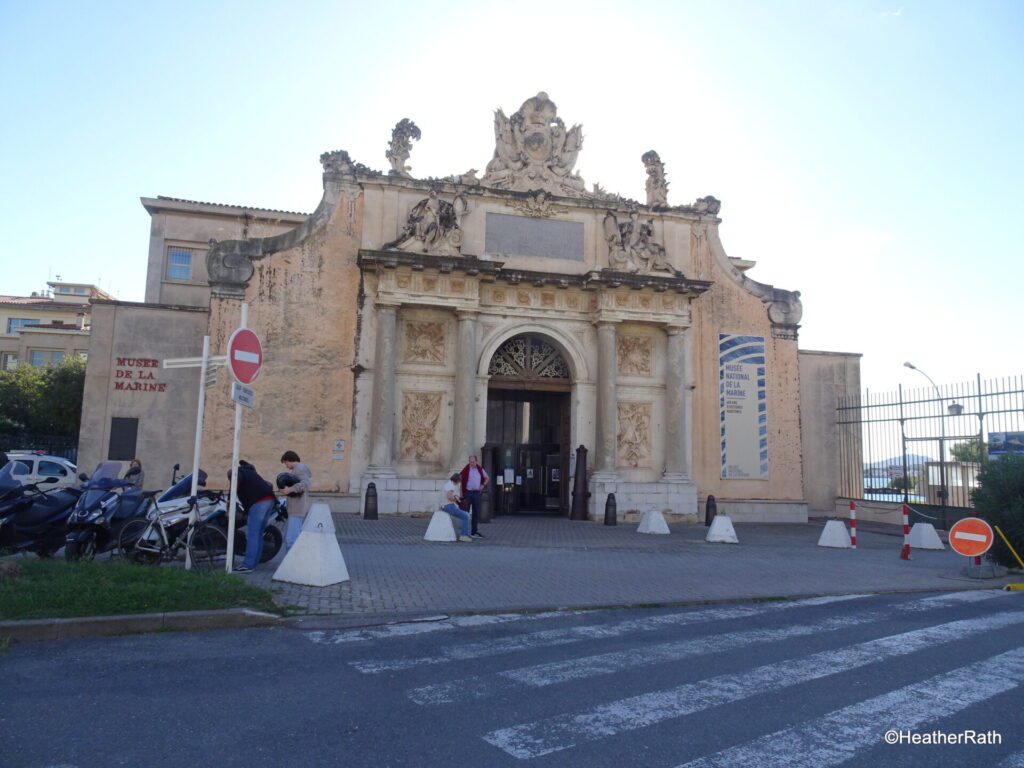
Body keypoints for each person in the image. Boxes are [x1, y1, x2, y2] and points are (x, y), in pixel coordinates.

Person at [229, 460, 275, 573]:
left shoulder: (238, 472)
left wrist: (229, 499)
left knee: (252, 534)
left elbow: (235, 486)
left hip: (259, 503)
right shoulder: (251, 474)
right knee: (258, 534)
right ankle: (254, 562)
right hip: (269, 500)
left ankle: (248, 565)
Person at [277, 450, 312, 552]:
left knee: (291, 539)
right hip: (296, 508)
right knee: (292, 538)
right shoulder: (298, 469)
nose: (286, 466)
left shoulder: (300, 469)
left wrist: (289, 490)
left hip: (297, 508)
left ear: (288, 460)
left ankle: (290, 564)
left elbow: (305, 484)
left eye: (285, 463)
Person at [459, 455, 489, 538]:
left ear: (476, 461)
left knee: (476, 513)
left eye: (472, 462)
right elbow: (460, 479)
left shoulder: (480, 469)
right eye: (470, 462)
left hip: (476, 493)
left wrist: (483, 485)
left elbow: (487, 478)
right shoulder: (466, 469)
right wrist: (461, 494)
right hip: (468, 493)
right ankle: (464, 532)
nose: (471, 463)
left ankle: (474, 532)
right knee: (465, 513)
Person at [442, 472, 473, 542]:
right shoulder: (451, 486)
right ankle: (464, 536)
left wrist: (456, 498)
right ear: (457, 480)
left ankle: (464, 533)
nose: (460, 482)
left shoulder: (449, 484)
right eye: (460, 481)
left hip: (447, 505)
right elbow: (449, 497)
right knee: (466, 516)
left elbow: (450, 496)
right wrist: (457, 499)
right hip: (448, 506)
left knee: (466, 514)